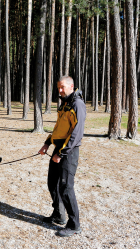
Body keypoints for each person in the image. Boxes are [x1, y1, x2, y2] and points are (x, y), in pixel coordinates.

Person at [38, 76, 86, 237]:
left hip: (68, 153)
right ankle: (59, 215)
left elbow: (76, 134)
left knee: (66, 188)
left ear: (71, 86)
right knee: (52, 183)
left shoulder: (77, 105)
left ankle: (74, 225)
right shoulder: (64, 104)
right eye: (58, 87)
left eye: (62, 87)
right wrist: (47, 143)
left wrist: (61, 153)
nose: (60, 90)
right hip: (58, 149)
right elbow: (58, 128)